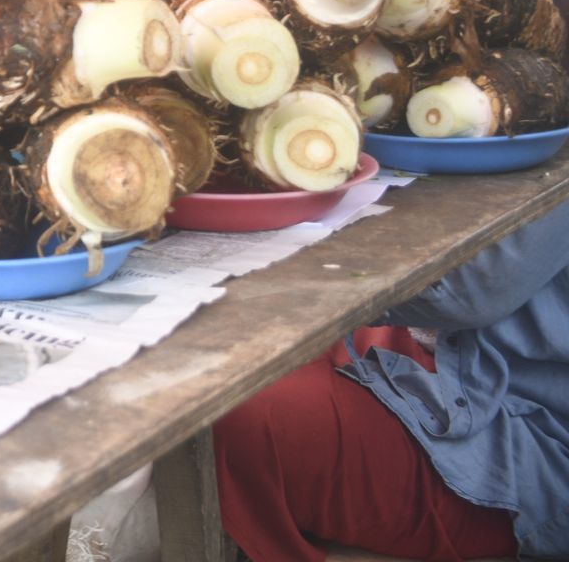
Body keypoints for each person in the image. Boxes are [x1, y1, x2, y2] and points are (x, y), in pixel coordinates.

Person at [213, 199, 569, 561]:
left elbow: (469, 291)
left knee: (236, 417)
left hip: (531, 447)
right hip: (452, 352)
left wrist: (287, 283)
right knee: (225, 349)